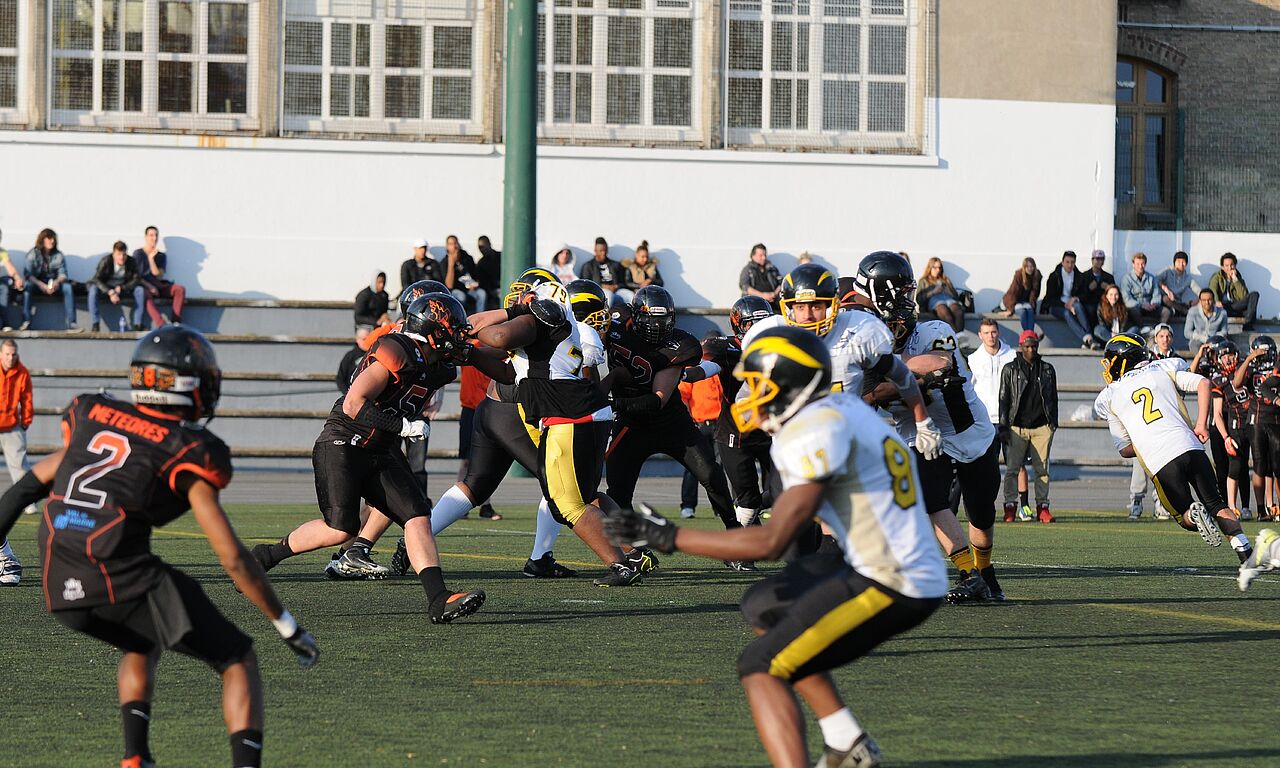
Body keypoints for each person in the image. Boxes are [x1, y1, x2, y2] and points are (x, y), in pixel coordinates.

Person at [603, 326, 945, 768]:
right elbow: (900, 375)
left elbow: (772, 540)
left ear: (791, 385)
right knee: (765, 603)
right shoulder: (842, 407)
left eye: (759, 384)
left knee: (760, 665)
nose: (750, 395)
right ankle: (846, 741)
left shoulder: (814, 430)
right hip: (880, 562)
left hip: (895, 581)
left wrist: (670, 537)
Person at [0, 325, 319, 767]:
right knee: (237, 658)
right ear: (188, 384)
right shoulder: (186, 447)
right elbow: (232, 558)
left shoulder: (93, 415)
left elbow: (23, 490)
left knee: (142, 639)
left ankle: (136, 758)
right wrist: (286, 624)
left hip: (59, 580)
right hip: (116, 570)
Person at [251, 294, 487, 623]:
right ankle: (262, 558)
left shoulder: (440, 361)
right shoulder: (398, 349)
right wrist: (402, 426)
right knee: (339, 529)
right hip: (344, 442)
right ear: (430, 328)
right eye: (450, 326)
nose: (458, 333)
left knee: (418, 515)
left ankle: (438, 599)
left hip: (380, 448)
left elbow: (497, 361)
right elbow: (353, 403)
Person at [859, 253, 1007, 603]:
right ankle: (969, 574)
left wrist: (889, 373)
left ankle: (985, 572)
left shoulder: (933, 331)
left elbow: (941, 362)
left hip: (969, 433)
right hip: (922, 435)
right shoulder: (864, 348)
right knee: (929, 498)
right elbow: (865, 397)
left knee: (981, 514)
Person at [605, 286, 752, 569]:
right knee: (618, 492)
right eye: (652, 320)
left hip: (669, 420)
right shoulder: (615, 324)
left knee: (711, 474)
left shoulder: (682, 344)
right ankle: (635, 551)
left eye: (663, 320)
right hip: (630, 425)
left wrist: (610, 400)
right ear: (636, 316)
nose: (657, 327)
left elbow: (657, 401)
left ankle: (734, 537)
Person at [1101, 334, 1255, 565]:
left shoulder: (1110, 396)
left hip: (1160, 461)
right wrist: (1201, 424)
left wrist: (1146, 439)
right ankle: (1246, 553)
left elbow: (1124, 449)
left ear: (1122, 360)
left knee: (1183, 516)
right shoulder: (1162, 368)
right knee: (1217, 504)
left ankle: (1194, 513)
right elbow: (1204, 383)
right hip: (1190, 445)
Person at [705, 295, 780, 528]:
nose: (757, 329)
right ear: (738, 325)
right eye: (751, 324)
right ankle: (741, 542)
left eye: (762, 322)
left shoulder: (781, 347)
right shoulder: (726, 348)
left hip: (770, 431)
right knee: (747, 500)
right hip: (735, 434)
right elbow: (706, 361)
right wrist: (690, 372)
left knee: (787, 489)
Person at [967, 318, 1029, 521]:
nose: (990, 336)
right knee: (987, 466)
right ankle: (987, 506)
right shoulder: (973, 359)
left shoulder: (1012, 356)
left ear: (998, 332)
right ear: (980, 335)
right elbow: (969, 389)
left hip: (1009, 420)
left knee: (1017, 465)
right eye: (986, 333)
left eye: (993, 332)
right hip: (985, 421)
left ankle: (1023, 506)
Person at [998, 331, 1058, 524]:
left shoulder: (1047, 369)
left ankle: (1043, 507)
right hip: (1016, 426)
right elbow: (1004, 399)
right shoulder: (1010, 369)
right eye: (1027, 346)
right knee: (1012, 469)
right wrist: (1003, 426)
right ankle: (1010, 507)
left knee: (1042, 469)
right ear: (1021, 347)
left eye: (1034, 346)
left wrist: (1053, 423)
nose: (1031, 350)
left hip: (1041, 426)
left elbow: (1053, 398)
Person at [678, 331, 724, 519]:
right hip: (699, 423)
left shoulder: (723, 366)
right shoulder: (695, 367)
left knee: (719, 468)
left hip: (720, 424)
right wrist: (688, 421)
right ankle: (688, 505)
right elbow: (683, 396)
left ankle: (719, 507)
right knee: (694, 465)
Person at [0, 339, 34, 585]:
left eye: (13, 354)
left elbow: (27, 397)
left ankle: (28, 501)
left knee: (19, 464)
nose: (10, 358)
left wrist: (26, 421)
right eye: (7, 354)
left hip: (11, 424)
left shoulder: (22, 372)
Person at [1235, 337, 1279, 523]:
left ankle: (1277, 508)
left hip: (1276, 419)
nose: (1265, 355)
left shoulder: (1277, 367)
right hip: (1257, 420)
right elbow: (1236, 384)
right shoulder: (1250, 368)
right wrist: (1249, 359)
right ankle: (1261, 510)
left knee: (1278, 467)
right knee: (1260, 465)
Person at [22, 227, 78, 332]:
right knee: (27, 286)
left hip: (53, 284)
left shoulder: (59, 255)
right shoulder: (33, 254)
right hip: (37, 284)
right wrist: (41, 285)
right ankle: (26, 321)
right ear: (42, 239)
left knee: (67, 288)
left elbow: (63, 274)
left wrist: (56, 283)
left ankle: (72, 323)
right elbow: (28, 275)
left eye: (53, 239)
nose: (52, 241)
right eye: (49, 238)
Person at [1041, 250, 1097, 349]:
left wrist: (1075, 298)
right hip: (1056, 306)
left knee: (1078, 305)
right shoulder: (1054, 276)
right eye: (1067, 262)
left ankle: (1088, 339)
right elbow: (1050, 298)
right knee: (1066, 313)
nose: (1070, 265)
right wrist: (1065, 305)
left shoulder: (1078, 276)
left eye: (1072, 262)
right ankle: (1087, 338)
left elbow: (1084, 294)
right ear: (1062, 262)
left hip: (1072, 304)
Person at [88, 240, 147, 333]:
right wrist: (110, 292)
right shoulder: (106, 261)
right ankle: (95, 324)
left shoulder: (131, 261)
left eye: (124, 254)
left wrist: (122, 288)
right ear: (113, 254)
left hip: (123, 288)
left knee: (140, 290)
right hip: (107, 289)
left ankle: (137, 324)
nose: (121, 257)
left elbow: (136, 279)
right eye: (119, 254)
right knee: (93, 290)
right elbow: (96, 279)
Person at [133, 226, 186, 327]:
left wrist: (151, 259)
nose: (154, 238)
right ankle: (161, 323)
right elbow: (136, 276)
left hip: (158, 285)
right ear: (146, 237)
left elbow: (158, 274)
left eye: (156, 235)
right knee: (145, 294)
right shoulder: (138, 254)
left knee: (179, 289)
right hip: (145, 285)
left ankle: (175, 322)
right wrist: (150, 286)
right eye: (151, 235)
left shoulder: (161, 256)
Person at [1208, 252, 1260, 330]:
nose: (1230, 268)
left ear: (1235, 265)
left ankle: (1248, 323)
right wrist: (1217, 301)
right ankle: (1249, 325)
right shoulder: (1217, 277)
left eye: (1232, 265)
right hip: (1223, 307)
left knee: (1254, 294)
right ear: (1222, 267)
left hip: (1236, 306)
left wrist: (1235, 280)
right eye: (1226, 265)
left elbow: (1244, 296)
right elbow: (1212, 290)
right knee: (1250, 313)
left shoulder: (1238, 278)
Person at [915, 256, 966, 335]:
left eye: (939, 267)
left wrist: (948, 291)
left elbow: (956, 297)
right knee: (944, 311)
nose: (938, 270)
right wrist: (933, 292)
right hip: (935, 301)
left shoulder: (945, 279)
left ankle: (959, 335)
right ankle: (955, 335)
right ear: (930, 268)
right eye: (935, 267)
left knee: (958, 311)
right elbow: (919, 299)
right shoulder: (923, 281)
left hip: (948, 299)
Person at [1120, 252, 1171, 331]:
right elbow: (1126, 299)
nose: (1140, 266)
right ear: (1133, 264)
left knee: (1166, 312)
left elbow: (1156, 294)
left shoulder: (1151, 278)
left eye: (1142, 264)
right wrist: (1142, 305)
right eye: (1138, 264)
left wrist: (1153, 304)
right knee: (1133, 310)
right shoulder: (1126, 279)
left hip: (1150, 306)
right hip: (1136, 306)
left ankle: (1158, 331)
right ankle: (1142, 331)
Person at [577, 237, 625, 306]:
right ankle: (607, 313)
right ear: (595, 250)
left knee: (629, 295)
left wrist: (616, 286)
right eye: (601, 250)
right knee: (608, 295)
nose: (603, 253)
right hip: (599, 292)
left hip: (616, 291)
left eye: (605, 250)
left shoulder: (615, 265)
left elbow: (623, 282)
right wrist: (603, 286)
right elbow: (585, 284)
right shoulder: (588, 266)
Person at [443, 235, 485, 312]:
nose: (454, 246)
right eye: (451, 244)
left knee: (482, 293)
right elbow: (449, 286)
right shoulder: (444, 262)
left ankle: (480, 316)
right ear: (447, 247)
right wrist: (451, 265)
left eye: (455, 243)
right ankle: (462, 317)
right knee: (461, 296)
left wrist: (476, 284)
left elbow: (476, 276)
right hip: (456, 290)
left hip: (471, 288)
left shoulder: (467, 258)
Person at [1000, 257, 1040, 333]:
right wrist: (1011, 309)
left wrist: (1032, 305)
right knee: (1023, 312)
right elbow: (1013, 293)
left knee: (1030, 311)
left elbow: (1035, 293)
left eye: (1032, 266)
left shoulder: (1036, 276)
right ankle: (1027, 334)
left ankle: (1030, 333)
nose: (1030, 268)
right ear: (1024, 267)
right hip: (1014, 301)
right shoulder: (1019, 275)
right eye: (1027, 266)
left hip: (1026, 302)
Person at [618, 240, 663, 305]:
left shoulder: (652, 267)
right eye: (642, 257)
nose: (645, 259)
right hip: (635, 293)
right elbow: (627, 283)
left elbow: (661, 282)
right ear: (636, 255)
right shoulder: (630, 267)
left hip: (651, 294)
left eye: (646, 257)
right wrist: (640, 285)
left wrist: (650, 281)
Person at [1159, 251, 1200, 317]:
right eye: (1178, 261)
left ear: (1186, 264)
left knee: (1200, 300)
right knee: (1165, 299)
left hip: (1178, 302)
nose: (1181, 264)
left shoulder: (1188, 278)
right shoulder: (1167, 271)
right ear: (1174, 262)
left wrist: (1200, 298)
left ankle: (1179, 310)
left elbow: (1198, 290)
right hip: (1166, 300)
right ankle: (1183, 311)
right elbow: (1156, 280)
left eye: (1183, 262)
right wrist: (1166, 290)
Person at [0, 228, 26, 331]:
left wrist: (17, 278)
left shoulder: (2, 252)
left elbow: (10, 268)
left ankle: (5, 323)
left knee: (4, 288)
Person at [1080, 249, 1114, 321]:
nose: (1100, 261)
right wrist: (1089, 289)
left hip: (1104, 302)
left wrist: (1108, 288)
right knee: (1090, 310)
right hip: (1089, 303)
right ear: (1092, 260)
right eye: (1097, 259)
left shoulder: (1109, 277)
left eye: (1102, 259)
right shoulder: (1084, 276)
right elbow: (1081, 294)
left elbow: (1115, 292)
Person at [473, 236, 502, 311]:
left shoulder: (501, 256)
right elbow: (483, 283)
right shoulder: (481, 263)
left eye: (483, 246)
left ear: (489, 244)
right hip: (493, 290)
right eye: (479, 247)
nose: (481, 249)